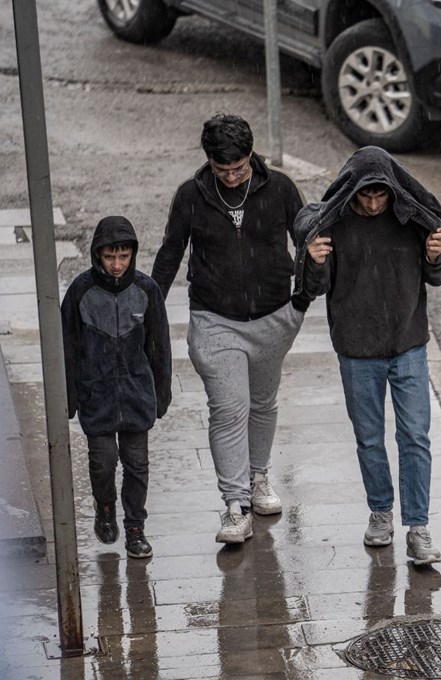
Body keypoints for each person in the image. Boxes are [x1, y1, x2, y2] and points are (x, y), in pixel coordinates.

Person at [296, 146, 441, 565]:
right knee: (369, 439)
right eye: (364, 197)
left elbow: (436, 277)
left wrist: (434, 256)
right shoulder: (333, 225)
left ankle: (419, 527)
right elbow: (316, 287)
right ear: (351, 191)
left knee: (415, 437)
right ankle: (380, 513)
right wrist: (315, 262)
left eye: (380, 196)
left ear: (392, 191)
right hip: (356, 351)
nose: (372, 204)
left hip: (408, 344)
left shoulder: (410, 218)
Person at [152, 113, 307, 544]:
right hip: (214, 319)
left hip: (274, 316)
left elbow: (310, 243)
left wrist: (303, 299)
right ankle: (235, 505)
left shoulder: (280, 188)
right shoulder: (192, 196)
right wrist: (148, 307)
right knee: (229, 408)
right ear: (209, 163)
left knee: (262, 403)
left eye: (240, 168)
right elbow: (170, 253)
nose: (234, 177)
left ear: (251, 156)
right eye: (224, 171)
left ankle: (259, 478)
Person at [61, 215, 172, 559]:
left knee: (137, 464)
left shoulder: (146, 290)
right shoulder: (80, 292)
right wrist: (69, 397)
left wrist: (161, 392)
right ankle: (105, 506)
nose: (117, 264)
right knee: (103, 463)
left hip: (136, 394)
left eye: (123, 256)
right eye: (110, 257)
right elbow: (67, 348)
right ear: (97, 255)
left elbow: (159, 345)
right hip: (97, 395)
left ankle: (136, 528)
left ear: (132, 254)